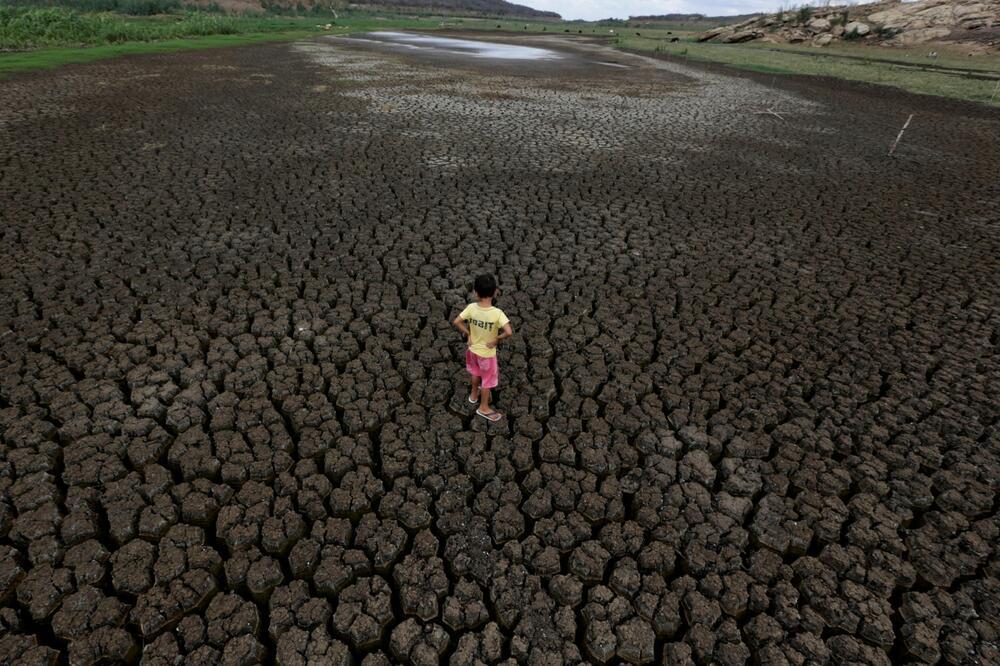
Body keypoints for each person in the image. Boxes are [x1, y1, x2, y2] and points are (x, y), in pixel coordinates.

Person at [453, 274, 513, 422]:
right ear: (495, 292)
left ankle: (473, 395)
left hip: (472, 350)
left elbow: (457, 321)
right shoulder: (497, 314)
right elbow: (509, 331)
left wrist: (468, 333)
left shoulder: (471, 308)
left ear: (476, 293)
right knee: (487, 381)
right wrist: (497, 339)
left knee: (475, 372)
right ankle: (483, 407)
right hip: (487, 354)